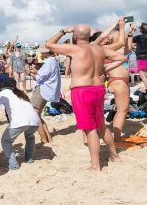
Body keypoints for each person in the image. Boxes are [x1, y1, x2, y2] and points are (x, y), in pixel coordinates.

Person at [46, 24, 125, 170]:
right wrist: (104, 70)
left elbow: (48, 44)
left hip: (82, 91)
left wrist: (63, 31)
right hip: (98, 89)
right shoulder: (99, 49)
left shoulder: (74, 49)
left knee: (90, 129)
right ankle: (115, 156)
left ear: (75, 36)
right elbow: (122, 57)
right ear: (89, 35)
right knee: (101, 125)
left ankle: (95, 165)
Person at [0, 77, 41, 170]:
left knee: (6, 140)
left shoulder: (2, 93)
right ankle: (29, 159)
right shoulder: (20, 92)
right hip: (35, 121)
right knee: (30, 136)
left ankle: (13, 165)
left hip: (20, 121)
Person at [30, 45, 62, 144]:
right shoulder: (54, 61)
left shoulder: (48, 62)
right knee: (37, 114)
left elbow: (39, 78)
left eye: (42, 52)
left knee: (34, 115)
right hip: (48, 90)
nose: (41, 53)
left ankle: (44, 138)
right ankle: (48, 137)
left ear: (46, 52)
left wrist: (31, 73)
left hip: (43, 90)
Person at [131, 22, 147, 88]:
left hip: (141, 58)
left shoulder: (138, 37)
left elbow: (130, 40)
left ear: (140, 30)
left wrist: (132, 31)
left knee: (143, 76)